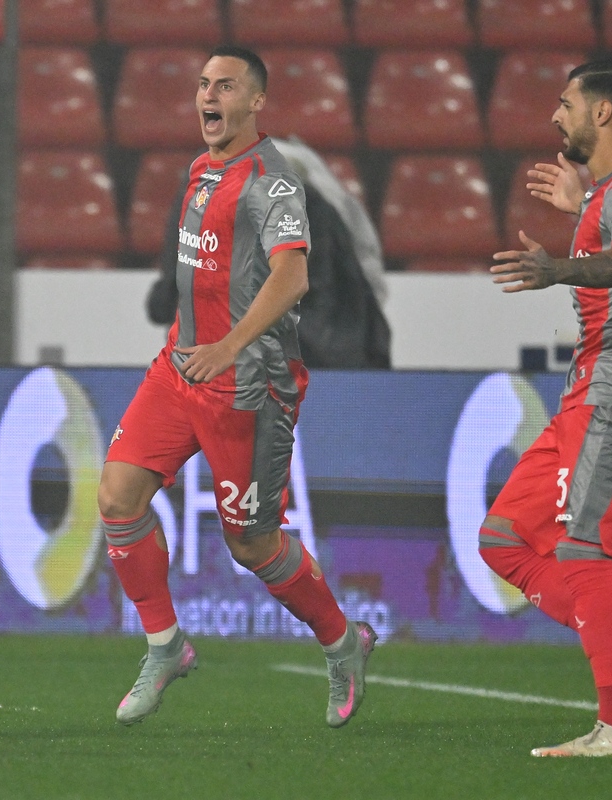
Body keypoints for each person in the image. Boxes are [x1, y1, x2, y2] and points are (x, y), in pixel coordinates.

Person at [98, 45, 376, 729]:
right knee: (116, 496)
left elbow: (292, 276)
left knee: (251, 543)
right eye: (201, 84)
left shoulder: (274, 184)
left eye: (224, 86)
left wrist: (229, 345)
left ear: (256, 102)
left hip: (249, 385)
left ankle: (344, 644)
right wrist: (194, 341)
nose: (207, 96)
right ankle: (166, 646)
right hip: (183, 366)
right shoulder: (201, 170)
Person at [481, 60, 612, 757]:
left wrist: (556, 269)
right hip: (587, 395)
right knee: (504, 537)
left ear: (603, 112)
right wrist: (584, 208)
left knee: (582, 551)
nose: (554, 115)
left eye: (565, 102)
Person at [147, 136, 391, 369]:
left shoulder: (310, 208)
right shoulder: (199, 194)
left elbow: (330, 306)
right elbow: (170, 291)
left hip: (329, 346)